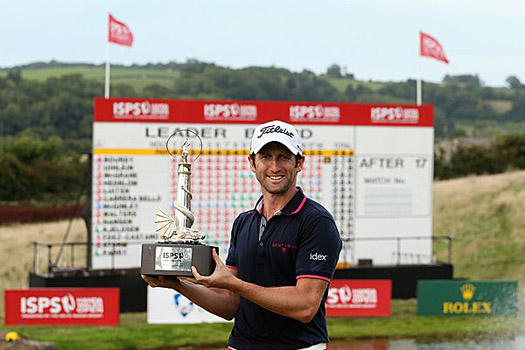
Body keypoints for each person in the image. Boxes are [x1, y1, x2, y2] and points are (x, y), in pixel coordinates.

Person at [143, 120, 342, 350]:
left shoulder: (316, 222)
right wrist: (177, 285)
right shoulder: (244, 222)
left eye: (284, 157)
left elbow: (305, 306)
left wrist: (236, 284)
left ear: (299, 163)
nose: (275, 166)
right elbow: (229, 305)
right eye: (266, 157)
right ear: (252, 163)